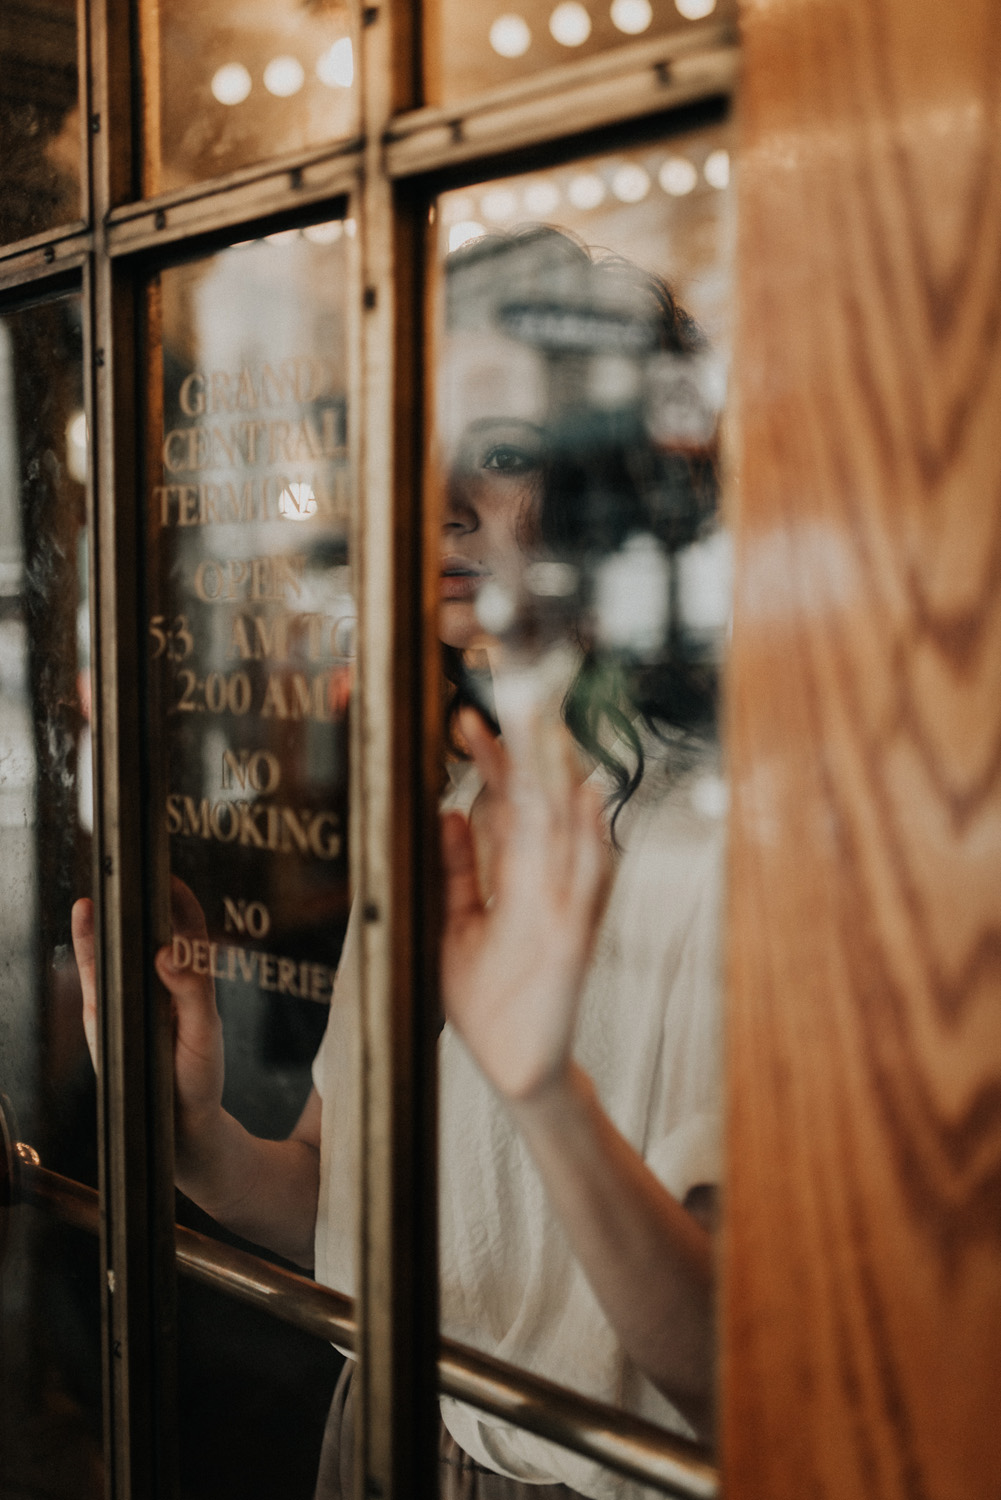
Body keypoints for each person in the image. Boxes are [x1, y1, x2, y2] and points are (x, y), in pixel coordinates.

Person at [72, 226, 724, 1500]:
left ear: (624, 483)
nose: (438, 503)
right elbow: (336, 1205)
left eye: (507, 453)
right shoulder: (457, 797)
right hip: (389, 1435)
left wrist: (543, 1094)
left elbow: (728, 1370)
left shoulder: (718, 841)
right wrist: (193, 1135)